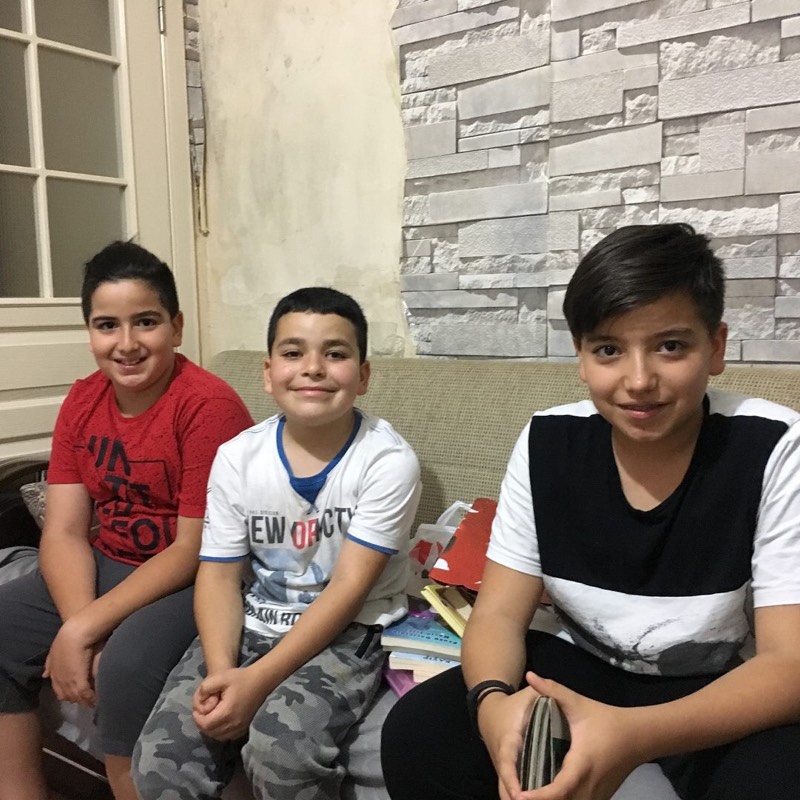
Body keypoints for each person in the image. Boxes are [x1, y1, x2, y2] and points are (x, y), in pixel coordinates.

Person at [381, 223, 800, 800]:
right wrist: (492, 706)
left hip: (715, 683)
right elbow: (498, 613)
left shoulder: (772, 446)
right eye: (608, 350)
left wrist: (632, 735)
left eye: (670, 346)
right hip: (578, 664)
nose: (639, 381)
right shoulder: (548, 441)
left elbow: (788, 662)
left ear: (717, 347)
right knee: (418, 733)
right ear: (581, 357)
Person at [132, 287, 422, 800]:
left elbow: (349, 589)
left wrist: (258, 681)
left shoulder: (387, 462)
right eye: (293, 352)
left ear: (363, 375)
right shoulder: (237, 457)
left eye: (335, 353)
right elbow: (219, 575)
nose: (313, 368)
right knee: (161, 759)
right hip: (252, 619)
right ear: (268, 374)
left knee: (280, 753)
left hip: (349, 629)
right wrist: (224, 674)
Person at [0, 241, 254, 800]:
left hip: (191, 576)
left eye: (146, 322)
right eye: (107, 325)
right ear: (89, 332)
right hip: (108, 560)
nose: (127, 343)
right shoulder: (83, 400)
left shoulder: (208, 407)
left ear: (176, 327)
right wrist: (80, 625)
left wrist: (87, 632)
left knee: (125, 665)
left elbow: (193, 549)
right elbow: (63, 530)